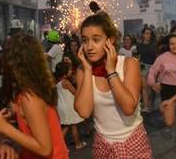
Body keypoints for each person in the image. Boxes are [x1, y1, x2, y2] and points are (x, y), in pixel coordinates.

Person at [74, 14, 153, 159]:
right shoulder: (82, 70)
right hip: (102, 145)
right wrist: (87, 70)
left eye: (96, 40)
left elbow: (128, 108)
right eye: (85, 40)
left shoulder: (129, 64)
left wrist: (111, 71)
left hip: (133, 142)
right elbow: (84, 112)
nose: (89, 47)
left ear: (110, 40)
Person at [0, 33, 69, 159]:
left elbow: (45, 149)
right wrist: (14, 114)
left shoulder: (30, 98)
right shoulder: (33, 88)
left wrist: (4, 127)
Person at [147, 33, 176, 127]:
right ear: (169, 45)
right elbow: (152, 71)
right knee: (169, 122)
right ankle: (163, 109)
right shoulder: (162, 58)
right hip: (167, 88)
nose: (174, 46)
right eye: (172, 44)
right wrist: (152, 83)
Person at [54, 61, 86, 150]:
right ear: (64, 74)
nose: (71, 71)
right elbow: (75, 92)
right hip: (69, 106)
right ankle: (78, 144)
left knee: (67, 126)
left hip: (62, 107)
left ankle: (58, 143)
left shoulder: (57, 83)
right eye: (69, 70)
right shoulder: (66, 82)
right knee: (74, 126)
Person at [136, 27, 158, 113]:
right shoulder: (140, 45)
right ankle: (146, 106)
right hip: (143, 65)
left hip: (152, 66)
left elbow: (157, 56)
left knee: (150, 87)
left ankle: (150, 103)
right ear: (143, 34)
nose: (147, 35)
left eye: (149, 33)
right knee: (144, 87)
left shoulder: (154, 44)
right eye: (146, 33)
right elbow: (138, 56)